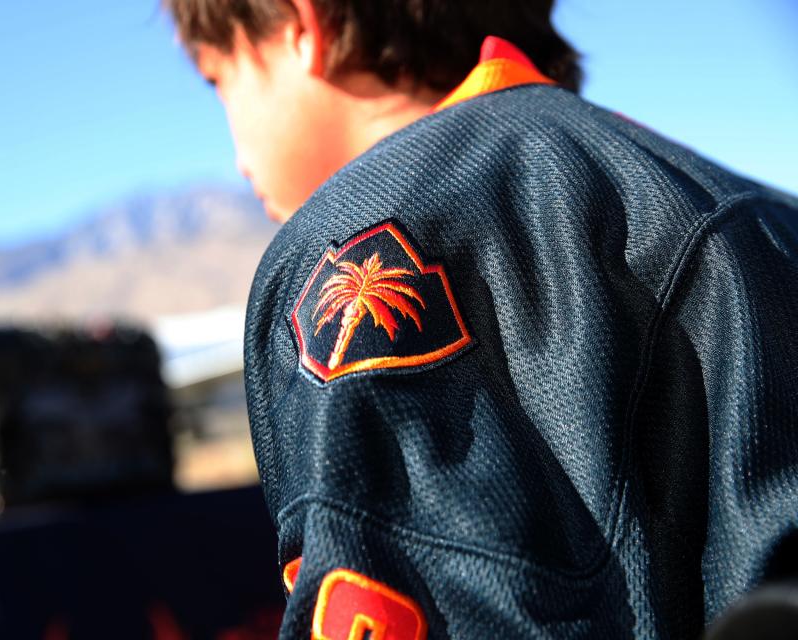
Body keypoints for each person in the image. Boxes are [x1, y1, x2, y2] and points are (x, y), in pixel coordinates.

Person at [164, 0, 798, 637]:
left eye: (220, 81)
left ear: (304, 28)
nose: (238, 160)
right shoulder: (758, 208)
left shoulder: (360, 241)